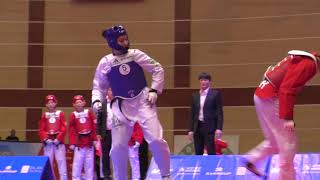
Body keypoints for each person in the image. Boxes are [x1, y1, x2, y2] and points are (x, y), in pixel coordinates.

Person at [92, 25, 171, 180]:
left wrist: (154, 89)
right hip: (120, 108)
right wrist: (96, 101)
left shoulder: (136, 55)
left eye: (126, 38)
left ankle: (166, 175)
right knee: (118, 148)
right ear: (113, 42)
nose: (126, 42)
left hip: (143, 102)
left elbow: (157, 69)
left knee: (156, 140)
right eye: (121, 40)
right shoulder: (106, 62)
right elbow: (98, 87)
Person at [245, 50, 320, 179]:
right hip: (270, 98)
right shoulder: (310, 64)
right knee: (288, 144)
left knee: (274, 141)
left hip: (261, 96)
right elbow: (287, 89)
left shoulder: (303, 59)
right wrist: (288, 118)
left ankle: (252, 160)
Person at [188, 72, 224, 155]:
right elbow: (192, 114)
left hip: (210, 127)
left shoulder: (215, 94)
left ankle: (211, 168)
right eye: (201, 80)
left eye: (205, 80)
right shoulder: (195, 95)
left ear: (209, 82)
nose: (203, 82)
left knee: (211, 151)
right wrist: (190, 130)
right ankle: (199, 167)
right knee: (198, 152)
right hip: (198, 127)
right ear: (199, 81)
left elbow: (219, 113)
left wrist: (219, 128)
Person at [38, 95, 68, 180]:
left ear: (56, 103)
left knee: (62, 164)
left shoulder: (60, 113)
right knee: (48, 165)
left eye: (52, 102)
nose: (50, 104)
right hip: (48, 144)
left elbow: (63, 128)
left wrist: (58, 139)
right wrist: (46, 139)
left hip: (59, 143)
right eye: (49, 103)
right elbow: (41, 129)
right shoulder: (45, 115)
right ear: (46, 105)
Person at [69, 95, 97, 180]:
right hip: (79, 144)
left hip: (89, 143)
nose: (78, 104)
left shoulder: (88, 112)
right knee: (77, 164)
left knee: (89, 164)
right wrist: (73, 143)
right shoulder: (73, 115)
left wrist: (95, 139)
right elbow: (71, 130)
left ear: (84, 103)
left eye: (80, 102)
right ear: (73, 105)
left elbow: (94, 126)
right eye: (76, 103)